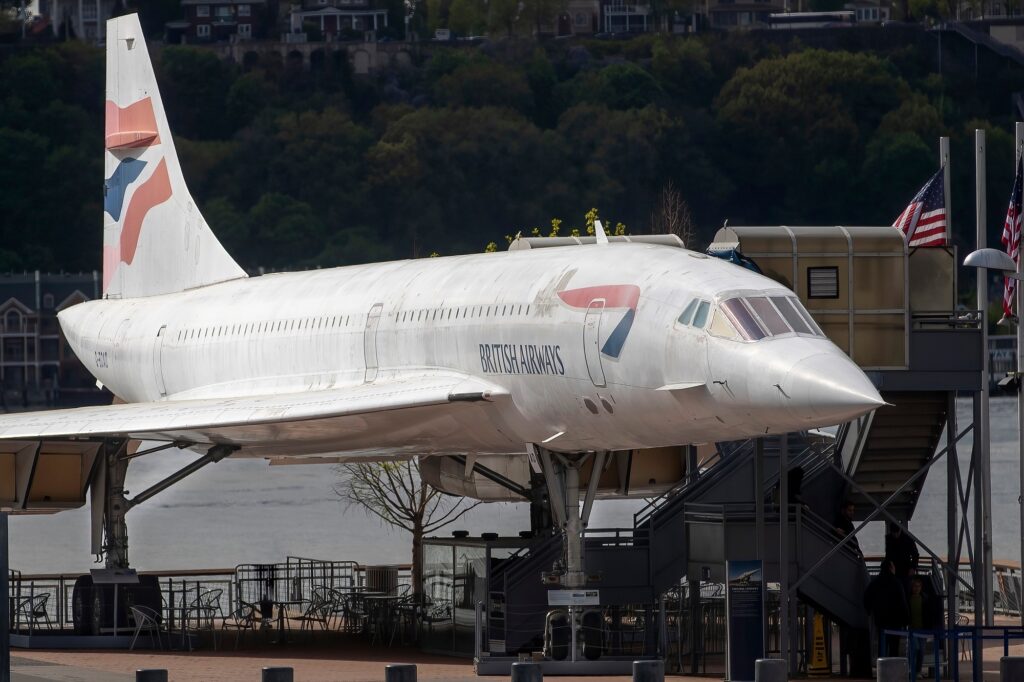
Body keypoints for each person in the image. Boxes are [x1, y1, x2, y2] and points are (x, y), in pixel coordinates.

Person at [864, 559, 909, 657]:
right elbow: (902, 602)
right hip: (895, 622)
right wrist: (905, 621)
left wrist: (868, 610)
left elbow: (867, 597)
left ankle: (882, 668)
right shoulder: (897, 583)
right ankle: (892, 669)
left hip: (881, 620)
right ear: (890, 568)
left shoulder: (875, 582)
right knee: (894, 648)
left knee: (882, 645)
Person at [906, 576, 928, 675]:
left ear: (921, 587)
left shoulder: (924, 599)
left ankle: (918, 671)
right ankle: (911, 669)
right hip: (912, 628)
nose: (916, 588)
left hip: (922, 628)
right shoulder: (908, 599)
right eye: (915, 586)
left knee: (921, 651)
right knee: (914, 648)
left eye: (918, 586)